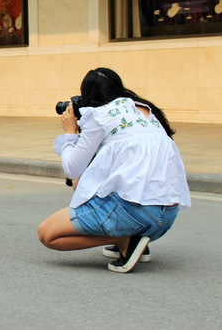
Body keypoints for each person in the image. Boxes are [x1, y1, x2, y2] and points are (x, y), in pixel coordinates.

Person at [37, 68, 190, 273]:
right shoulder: (145, 110)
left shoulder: (100, 115)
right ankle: (133, 241)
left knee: (48, 234)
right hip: (165, 218)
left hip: (137, 215)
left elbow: (72, 168)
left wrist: (70, 133)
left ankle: (125, 239)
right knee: (91, 180)